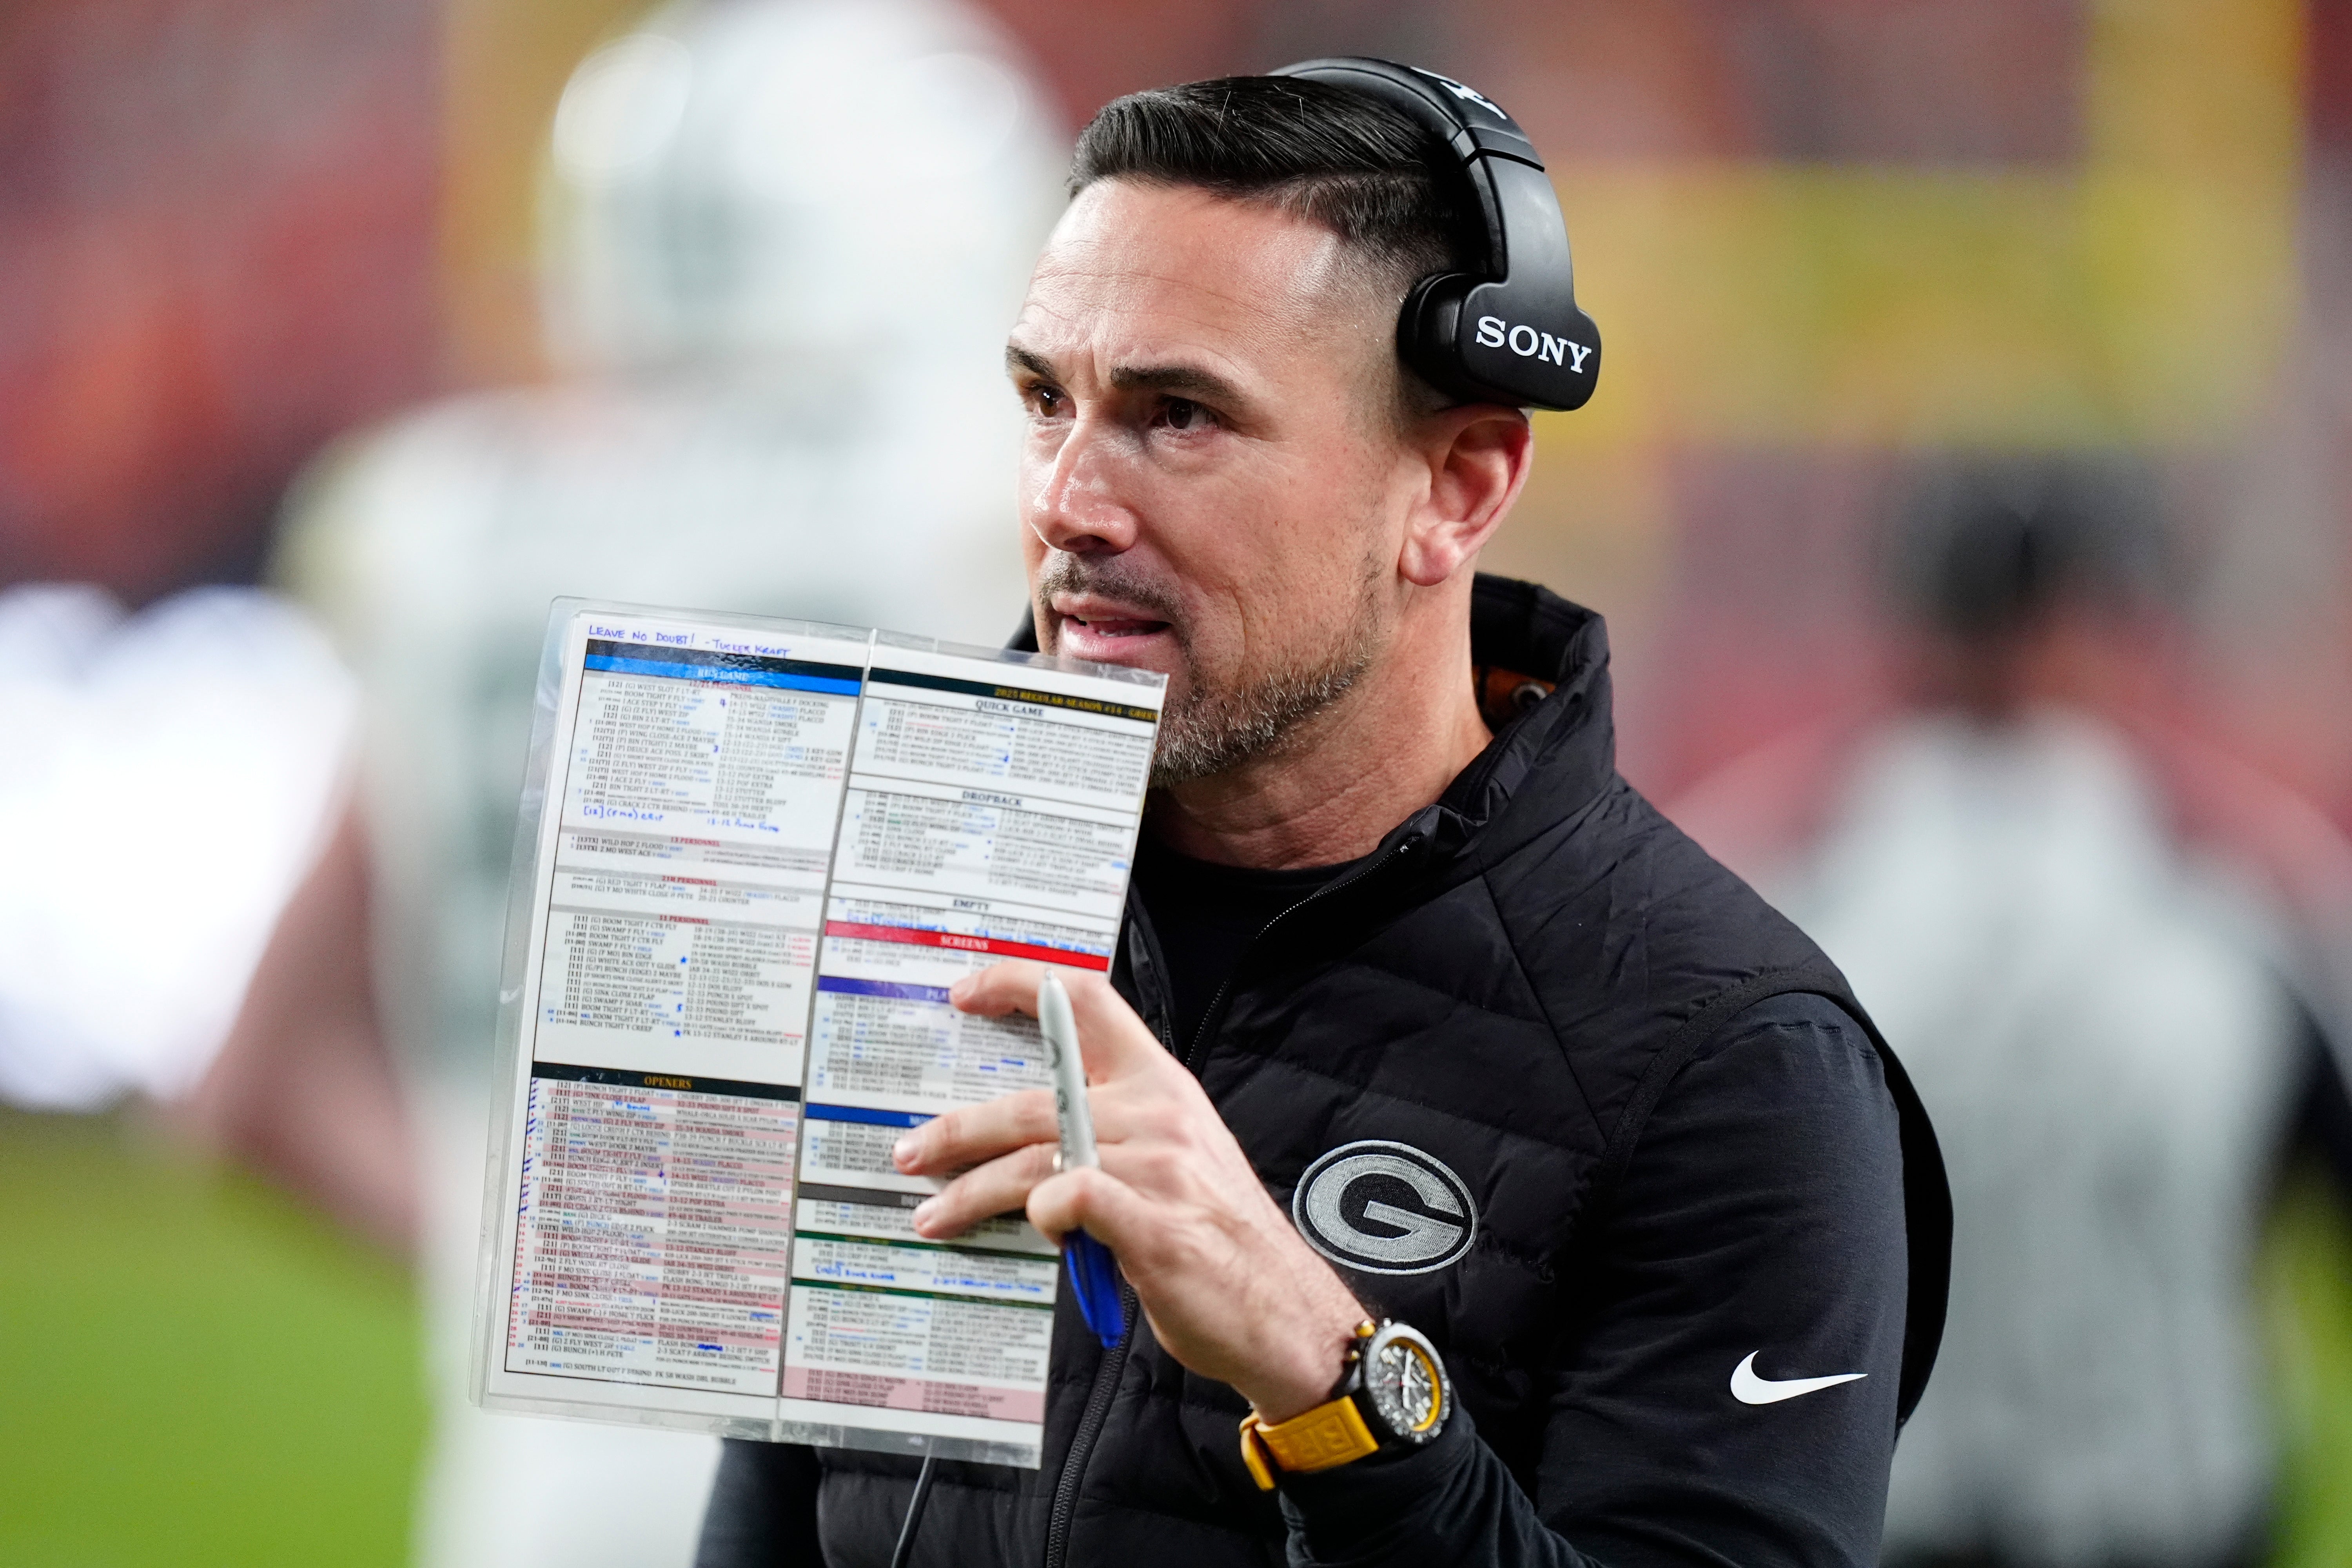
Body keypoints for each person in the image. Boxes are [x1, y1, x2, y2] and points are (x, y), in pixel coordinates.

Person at [697, 67, 1949, 1568]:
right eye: (1046, 400)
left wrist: (1331, 1378)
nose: (1067, 500)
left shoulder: (1738, 1070)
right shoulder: (922, 872)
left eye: (1178, 416)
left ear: (1458, 485)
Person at [260, 1, 1067, 1563]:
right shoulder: (998, 511)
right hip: (909, 1490)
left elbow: (250, 1081)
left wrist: (554, 1278)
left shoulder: (446, 528)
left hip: (538, 1503)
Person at [1673, 459, 2352, 1568]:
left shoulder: (1755, 900)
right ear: (2118, 631)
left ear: (1918, 633)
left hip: (1869, 1523)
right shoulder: (2245, 906)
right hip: (2173, 1522)